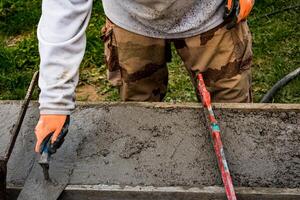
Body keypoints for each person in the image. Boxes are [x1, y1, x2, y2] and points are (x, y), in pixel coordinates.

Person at [34, 0, 255, 153]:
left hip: (212, 15)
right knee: (139, 121)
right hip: (130, 18)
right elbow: (63, 7)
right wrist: (55, 102)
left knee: (233, 120)